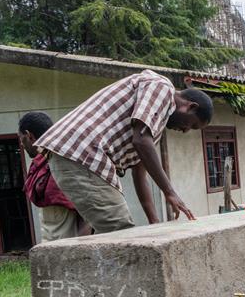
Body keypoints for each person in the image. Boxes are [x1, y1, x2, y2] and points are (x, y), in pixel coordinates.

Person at [36, 69, 213, 233]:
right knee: (121, 232)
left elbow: (139, 173)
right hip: (82, 153)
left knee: (115, 231)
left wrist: (154, 222)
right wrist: (170, 192)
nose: (185, 130)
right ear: (190, 107)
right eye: (192, 125)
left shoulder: (152, 127)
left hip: (82, 157)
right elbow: (141, 142)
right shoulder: (162, 87)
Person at [18, 112, 89, 241]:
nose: (22, 144)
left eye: (21, 139)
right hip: (49, 244)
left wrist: (81, 247)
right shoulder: (40, 164)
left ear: (29, 136)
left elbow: (87, 212)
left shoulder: (61, 163)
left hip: (68, 247)